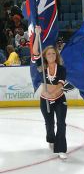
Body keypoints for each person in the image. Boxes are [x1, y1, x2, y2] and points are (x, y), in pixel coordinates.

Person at [32, 26, 67, 159]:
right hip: (44, 99)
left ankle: (61, 149)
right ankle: (51, 139)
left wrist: (53, 94)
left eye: (53, 53)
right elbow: (35, 51)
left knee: (61, 123)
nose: (51, 55)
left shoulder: (61, 68)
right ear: (45, 56)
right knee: (49, 123)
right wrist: (37, 34)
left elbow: (61, 84)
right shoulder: (42, 67)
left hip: (59, 98)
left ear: (56, 55)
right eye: (48, 54)